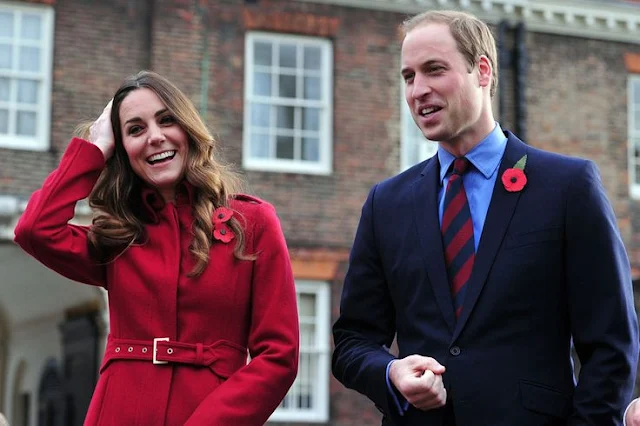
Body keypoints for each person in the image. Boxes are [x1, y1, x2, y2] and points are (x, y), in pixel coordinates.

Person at [332, 9, 639, 426]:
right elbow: (352, 341)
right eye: (408, 77)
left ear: (482, 70)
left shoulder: (567, 186)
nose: (418, 90)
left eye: (434, 70)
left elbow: (611, 344)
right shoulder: (386, 203)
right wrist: (390, 372)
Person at [14, 70, 299, 425]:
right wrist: (94, 149)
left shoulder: (252, 223)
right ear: (122, 149)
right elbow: (35, 230)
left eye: (166, 121)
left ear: (188, 129)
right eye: (135, 129)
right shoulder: (119, 236)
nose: (155, 137)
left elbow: (278, 356)